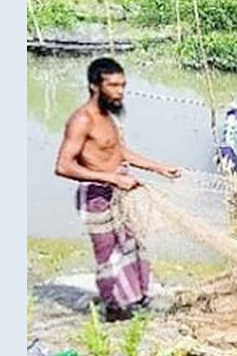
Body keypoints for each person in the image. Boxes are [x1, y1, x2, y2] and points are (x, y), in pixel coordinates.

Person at [54, 57, 181, 321]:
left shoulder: (107, 117)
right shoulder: (82, 120)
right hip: (96, 196)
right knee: (108, 255)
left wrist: (158, 168)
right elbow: (64, 166)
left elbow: (119, 151)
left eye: (123, 85)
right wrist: (111, 179)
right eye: (113, 85)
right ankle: (114, 308)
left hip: (119, 191)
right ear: (94, 86)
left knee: (134, 245)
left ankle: (134, 298)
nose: (120, 91)